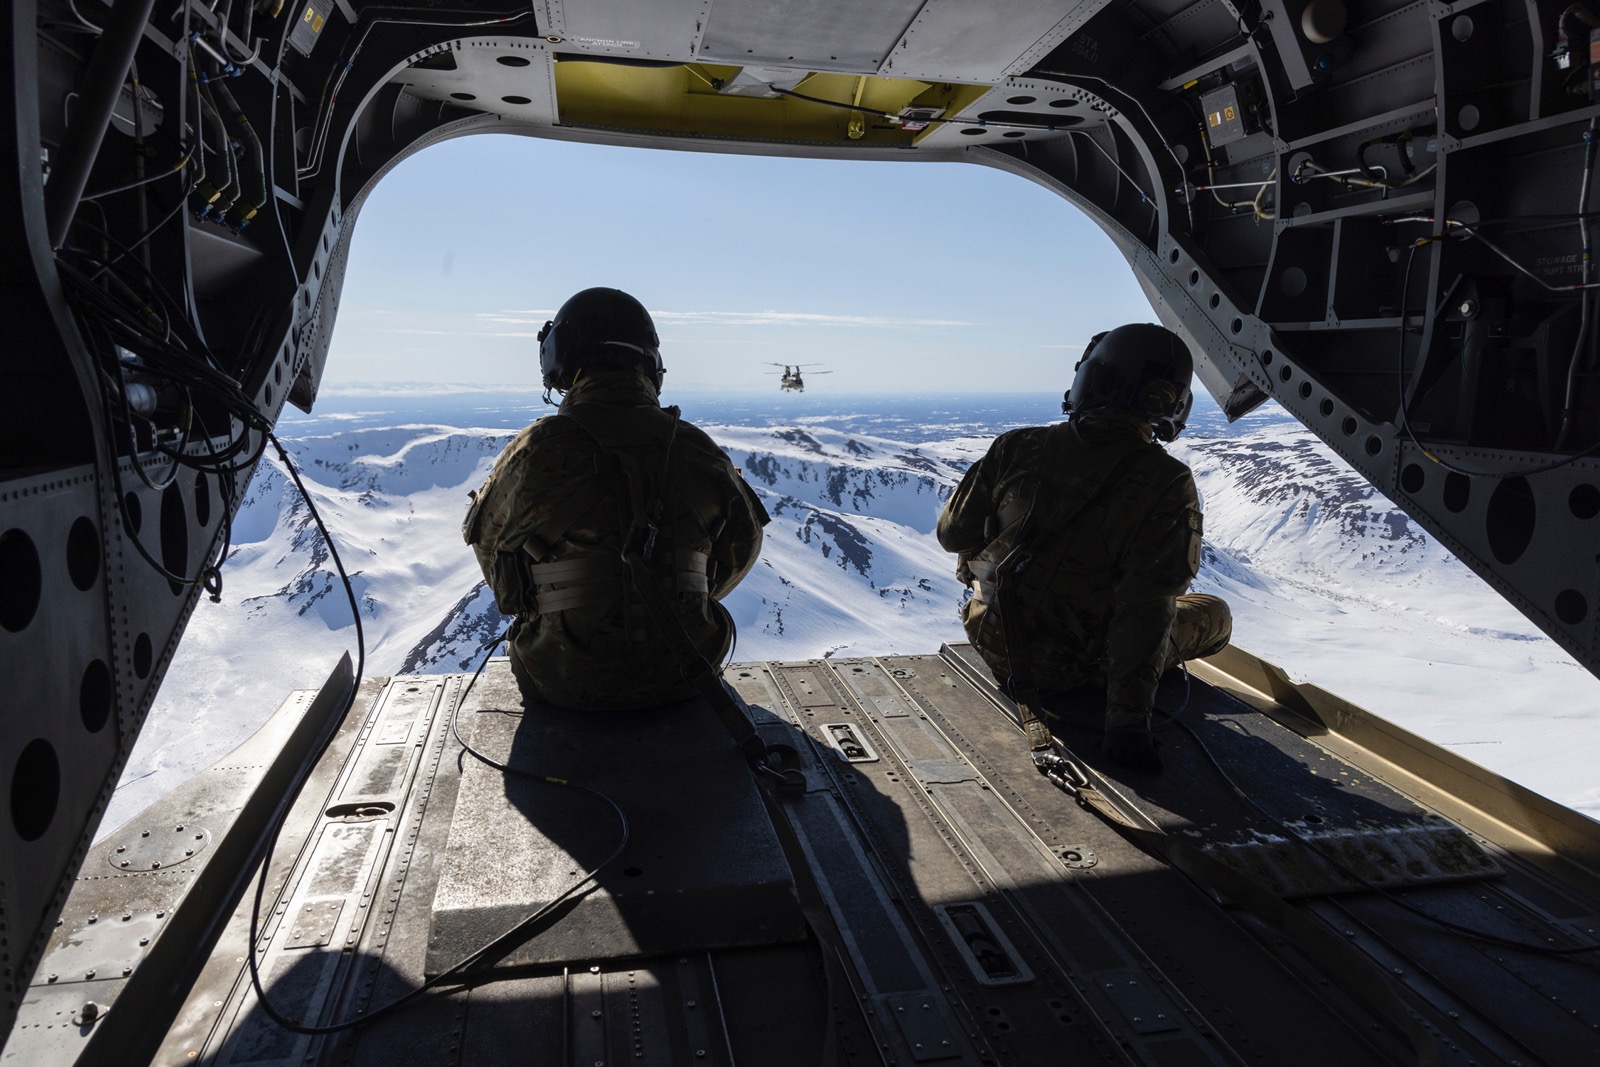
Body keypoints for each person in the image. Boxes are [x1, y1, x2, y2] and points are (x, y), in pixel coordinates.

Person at [936, 323, 1232, 772]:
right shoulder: (1167, 482)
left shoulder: (1015, 446)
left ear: (1090, 379)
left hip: (994, 643)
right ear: (1169, 402)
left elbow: (952, 535)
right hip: (1072, 671)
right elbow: (1147, 607)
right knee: (1213, 613)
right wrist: (1128, 724)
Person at [463, 287, 769, 711]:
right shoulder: (696, 448)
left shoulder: (536, 449)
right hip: (688, 674)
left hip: (561, 680)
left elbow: (490, 549)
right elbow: (742, 545)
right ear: (652, 366)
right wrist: (674, 596)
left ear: (561, 360)